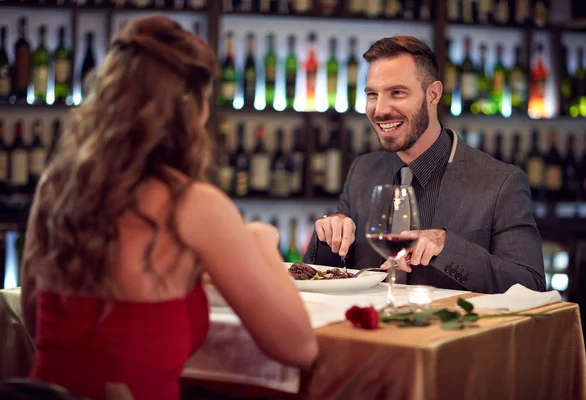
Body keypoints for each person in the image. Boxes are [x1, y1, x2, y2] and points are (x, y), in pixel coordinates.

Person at [20, 16, 317, 400]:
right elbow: (299, 348)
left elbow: (33, 320)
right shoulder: (194, 204)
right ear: (190, 107)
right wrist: (260, 239)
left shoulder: (57, 187)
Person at [303, 36, 545, 294]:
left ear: (433, 94)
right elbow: (323, 277)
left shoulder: (501, 182)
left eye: (397, 92)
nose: (380, 109)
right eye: (372, 94)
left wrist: (446, 245)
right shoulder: (362, 170)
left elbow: (531, 285)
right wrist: (330, 235)